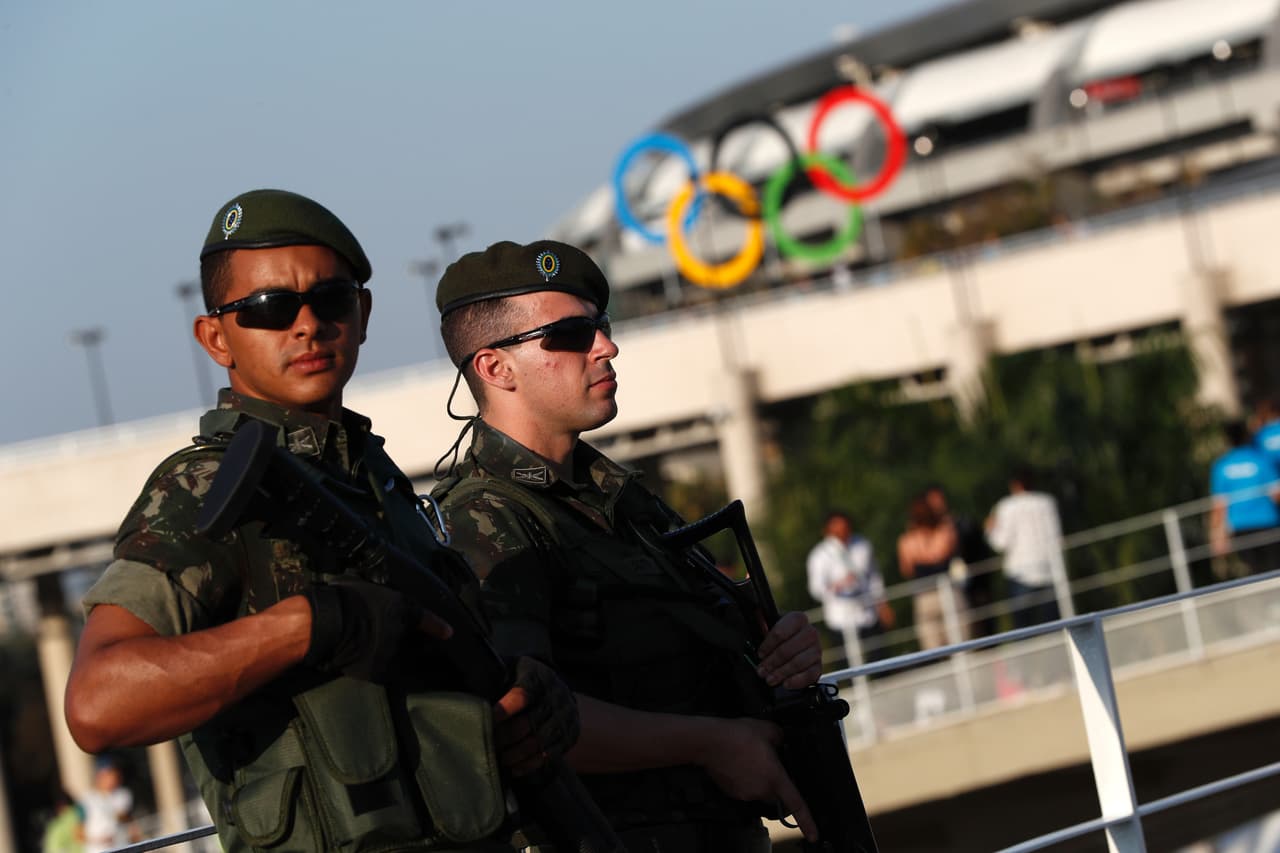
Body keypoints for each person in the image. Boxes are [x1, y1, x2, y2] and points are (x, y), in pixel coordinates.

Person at [64, 190, 578, 853]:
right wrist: (307, 626)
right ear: (215, 337)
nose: (306, 325)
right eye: (269, 310)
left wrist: (531, 696)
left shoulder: (376, 480)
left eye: (329, 300)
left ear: (361, 313)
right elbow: (97, 701)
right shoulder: (207, 484)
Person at [430, 240, 824, 852]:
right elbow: (523, 715)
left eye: (602, 327)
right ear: (494, 368)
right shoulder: (485, 516)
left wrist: (778, 649)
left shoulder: (620, 498)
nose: (606, 346)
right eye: (570, 334)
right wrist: (710, 743)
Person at [806, 510, 894, 667]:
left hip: (867, 612)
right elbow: (816, 589)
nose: (841, 531)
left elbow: (874, 577)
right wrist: (836, 586)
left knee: (879, 658)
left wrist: (882, 604)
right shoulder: (820, 555)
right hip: (840, 617)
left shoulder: (862, 545)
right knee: (846, 664)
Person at [985, 469, 1065, 629]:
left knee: (1023, 629)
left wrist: (989, 530)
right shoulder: (1047, 502)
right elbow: (1056, 538)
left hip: (1019, 572)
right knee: (1053, 626)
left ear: (1015, 485)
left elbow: (1000, 544)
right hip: (1049, 569)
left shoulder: (1007, 506)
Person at [1209, 419, 1280, 576]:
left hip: (1240, 527)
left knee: (1256, 575)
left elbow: (1219, 505)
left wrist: (1216, 536)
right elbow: (1276, 494)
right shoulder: (1261, 460)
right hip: (1267, 522)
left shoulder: (1222, 466)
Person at [896, 494, 960, 650]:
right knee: (959, 641)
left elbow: (907, 570)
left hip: (925, 596)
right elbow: (944, 554)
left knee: (933, 649)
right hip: (946, 591)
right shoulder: (945, 532)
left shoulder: (907, 541)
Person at [78, 759, 138, 853]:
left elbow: (129, 822)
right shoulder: (86, 800)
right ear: (100, 776)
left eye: (115, 774)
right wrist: (98, 840)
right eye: (110, 774)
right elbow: (78, 833)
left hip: (122, 846)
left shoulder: (123, 795)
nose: (114, 778)